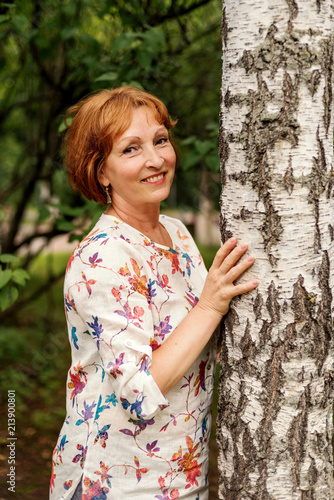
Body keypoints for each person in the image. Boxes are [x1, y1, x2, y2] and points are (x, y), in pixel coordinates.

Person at [50, 86, 258, 500]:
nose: (156, 159)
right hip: (115, 482)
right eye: (131, 149)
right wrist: (212, 303)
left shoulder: (177, 234)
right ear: (100, 171)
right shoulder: (102, 258)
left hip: (181, 474)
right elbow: (139, 390)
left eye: (160, 140)